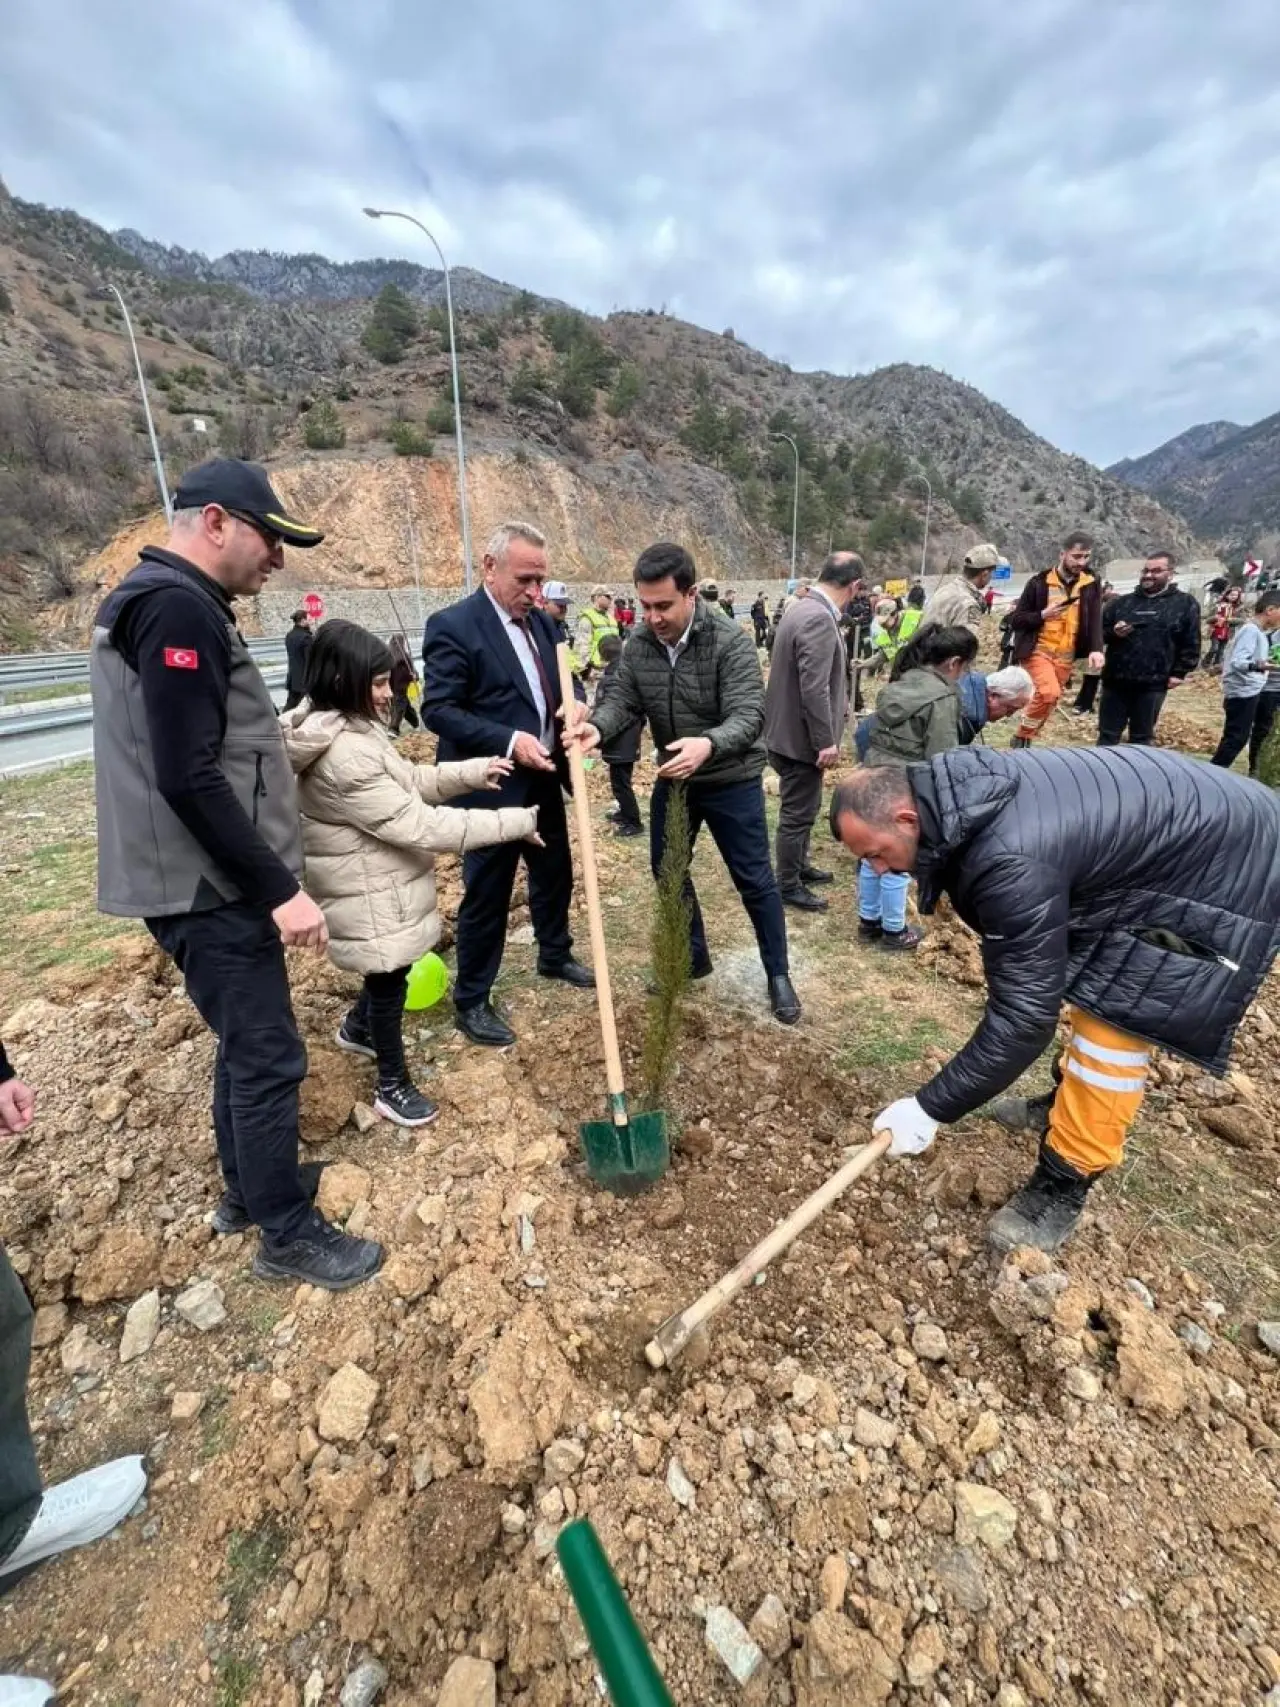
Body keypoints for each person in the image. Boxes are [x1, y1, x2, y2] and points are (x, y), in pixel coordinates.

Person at [90, 457, 383, 1290]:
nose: (279, 559)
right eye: (270, 538)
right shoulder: (176, 606)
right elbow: (188, 775)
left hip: (204, 881)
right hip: (206, 886)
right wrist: (280, 889)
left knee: (244, 1044)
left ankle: (250, 1191)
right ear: (215, 521)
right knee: (268, 1054)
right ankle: (285, 1233)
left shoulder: (173, 599)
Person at [830, 746, 1280, 1254]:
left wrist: (929, 1109)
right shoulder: (955, 796)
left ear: (907, 818)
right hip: (1171, 839)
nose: (879, 870)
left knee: (1116, 1021)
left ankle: (1065, 1180)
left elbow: (1024, 1020)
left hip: (1225, 864)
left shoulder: (1009, 859)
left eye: (875, 854)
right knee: (1086, 975)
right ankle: (1061, 1104)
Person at [282, 621, 538, 1125]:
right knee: (387, 980)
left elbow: (406, 780)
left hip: (374, 880)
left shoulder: (345, 727)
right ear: (344, 680)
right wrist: (516, 823)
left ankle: (357, 1030)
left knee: (388, 970)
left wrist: (472, 773)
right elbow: (421, 825)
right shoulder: (345, 754)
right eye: (378, 683)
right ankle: (391, 1085)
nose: (387, 693)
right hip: (368, 889)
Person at [570, 542, 801, 1024]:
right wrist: (597, 727)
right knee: (668, 869)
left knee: (754, 879)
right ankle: (691, 956)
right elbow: (623, 699)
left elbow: (749, 714)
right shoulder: (640, 643)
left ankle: (778, 973)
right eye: (645, 605)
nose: (652, 617)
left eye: (663, 605)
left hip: (731, 778)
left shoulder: (729, 641)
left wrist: (708, 744)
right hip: (676, 779)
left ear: (691, 594)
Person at [422, 521, 594, 1048]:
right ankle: (472, 998)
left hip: (543, 778)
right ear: (490, 567)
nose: (536, 592)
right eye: (525, 580)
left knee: (554, 873)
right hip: (491, 788)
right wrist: (509, 739)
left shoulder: (542, 623)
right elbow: (439, 709)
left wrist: (578, 703)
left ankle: (554, 953)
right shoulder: (454, 626)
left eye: (541, 580)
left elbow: (567, 678)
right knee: (489, 893)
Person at [856, 625, 978, 951]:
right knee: (898, 860)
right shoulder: (942, 698)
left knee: (873, 853)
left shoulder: (901, 682)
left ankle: (868, 921)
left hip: (873, 775)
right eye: (966, 667)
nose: (965, 674)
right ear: (954, 662)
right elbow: (942, 756)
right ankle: (894, 930)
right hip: (905, 786)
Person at [764, 552, 861, 911]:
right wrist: (825, 741)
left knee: (805, 807)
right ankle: (788, 884)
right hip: (800, 739)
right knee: (797, 814)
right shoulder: (818, 617)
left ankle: (799, 866)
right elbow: (814, 687)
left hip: (786, 731)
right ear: (855, 586)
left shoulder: (801, 607)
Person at [1007, 531, 1104, 746]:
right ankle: (1022, 736)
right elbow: (1017, 619)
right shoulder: (1039, 583)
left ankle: (1025, 738)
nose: (1082, 562)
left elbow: (1095, 616)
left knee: (1051, 700)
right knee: (1048, 693)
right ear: (1063, 554)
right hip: (1038, 650)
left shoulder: (1091, 582)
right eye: (1076, 556)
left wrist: (1096, 648)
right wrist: (1042, 615)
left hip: (1066, 655)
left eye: (1086, 556)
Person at [1095, 551, 1200, 747]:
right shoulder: (1121, 603)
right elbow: (1098, 634)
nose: (1149, 575)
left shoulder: (1185, 604)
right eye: (1146, 571)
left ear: (1170, 574)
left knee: (1141, 738)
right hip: (1116, 680)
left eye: (1156, 571)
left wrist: (1180, 672)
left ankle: (1137, 767)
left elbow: (1191, 640)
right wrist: (1114, 633)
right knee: (1107, 736)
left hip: (1153, 682)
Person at [856, 665, 1032, 759]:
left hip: (875, 731)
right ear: (993, 696)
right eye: (1010, 709)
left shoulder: (970, 683)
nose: (1009, 715)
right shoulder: (965, 713)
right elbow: (939, 761)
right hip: (881, 747)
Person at [1210, 591, 1280, 769]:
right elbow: (1239, 662)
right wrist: (1262, 666)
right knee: (1236, 738)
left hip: (1249, 690)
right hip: (1242, 692)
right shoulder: (1251, 631)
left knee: (1238, 737)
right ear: (1270, 610)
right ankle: (1213, 772)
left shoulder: (1257, 632)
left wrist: (1264, 662)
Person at [593, 632, 644, 837]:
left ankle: (633, 821)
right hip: (623, 740)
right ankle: (624, 812)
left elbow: (613, 709)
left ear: (602, 654)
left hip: (622, 741)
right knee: (619, 781)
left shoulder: (615, 678)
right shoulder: (623, 672)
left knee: (621, 784)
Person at [921, 544, 998, 635]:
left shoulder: (945, 589)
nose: (992, 577)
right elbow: (967, 642)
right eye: (992, 573)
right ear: (984, 574)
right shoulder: (968, 604)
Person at [575, 584, 619, 678]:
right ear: (597, 597)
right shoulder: (587, 618)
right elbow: (582, 647)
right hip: (595, 673)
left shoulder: (611, 619)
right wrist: (585, 671)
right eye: (607, 596)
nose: (611, 599)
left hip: (612, 671)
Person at [387, 632, 421, 733]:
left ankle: (416, 724)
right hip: (401, 688)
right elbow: (411, 673)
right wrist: (415, 677)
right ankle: (393, 729)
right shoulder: (404, 657)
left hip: (391, 687)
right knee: (399, 708)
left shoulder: (387, 656)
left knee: (405, 707)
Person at [1205, 585, 1242, 669]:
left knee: (1221, 651)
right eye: (1231, 594)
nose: (1233, 597)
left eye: (1235, 595)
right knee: (1214, 648)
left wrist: (1229, 620)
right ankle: (1206, 662)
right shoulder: (1218, 605)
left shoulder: (1239, 608)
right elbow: (1208, 619)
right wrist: (1216, 618)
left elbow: (1241, 620)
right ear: (1227, 595)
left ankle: (1216, 666)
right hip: (1216, 630)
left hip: (1228, 632)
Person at [283, 608, 312, 711]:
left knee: (290, 706)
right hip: (303, 680)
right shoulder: (306, 638)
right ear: (303, 620)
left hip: (292, 678)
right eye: (309, 619)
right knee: (303, 709)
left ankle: (278, 720)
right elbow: (309, 661)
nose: (310, 621)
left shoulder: (289, 635)